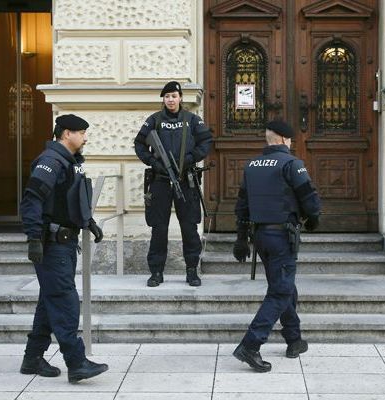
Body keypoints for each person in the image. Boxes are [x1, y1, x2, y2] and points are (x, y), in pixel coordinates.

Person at [20, 114, 108, 383]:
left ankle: (32, 358)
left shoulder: (71, 162)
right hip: (52, 245)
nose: (85, 137)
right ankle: (77, 362)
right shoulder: (51, 161)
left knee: (50, 300)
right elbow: (31, 200)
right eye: (81, 133)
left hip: (65, 243)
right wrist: (34, 238)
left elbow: (69, 199)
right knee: (65, 302)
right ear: (66, 133)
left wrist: (88, 222)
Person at [232, 120, 321, 372]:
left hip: (260, 236)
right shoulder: (292, 164)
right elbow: (309, 198)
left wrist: (240, 238)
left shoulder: (251, 166)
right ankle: (251, 344)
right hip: (282, 236)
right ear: (284, 140)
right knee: (280, 291)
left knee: (283, 286)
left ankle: (294, 339)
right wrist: (314, 219)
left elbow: (241, 206)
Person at [134, 81, 213, 287]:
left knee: (189, 227)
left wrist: (191, 158)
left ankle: (191, 270)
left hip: (186, 180)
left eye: (174, 96)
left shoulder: (192, 120)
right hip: (160, 181)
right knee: (159, 228)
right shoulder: (154, 120)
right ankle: (157, 272)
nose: (170, 100)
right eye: (167, 96)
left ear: (180, 98)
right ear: (163, 99)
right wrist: (153, 162)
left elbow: (206, 142)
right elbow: (139, 144)